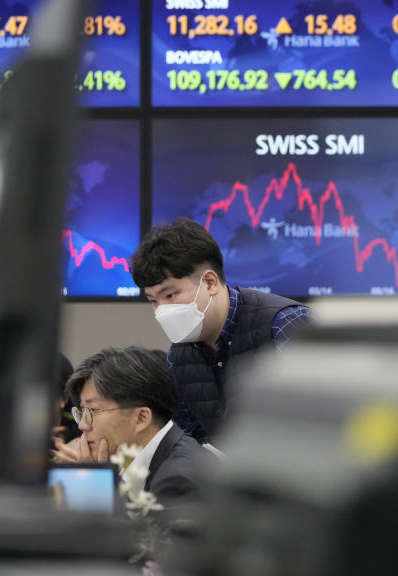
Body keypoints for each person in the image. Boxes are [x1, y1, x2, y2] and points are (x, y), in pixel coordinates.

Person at [130, 218, 312, 444]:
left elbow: (327, 421)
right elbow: (188, 448)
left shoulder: (286, 324)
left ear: (209, 282)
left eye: (170, 295)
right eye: (153, 301)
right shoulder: (178, 357)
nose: (161, 311)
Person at [52, 346, 208, 511]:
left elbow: (134, 536)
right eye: (81, 411)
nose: (82, 425)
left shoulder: (177, 480)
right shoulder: (150, 456)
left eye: (92, 411)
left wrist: (96, 486)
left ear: (141, 418)